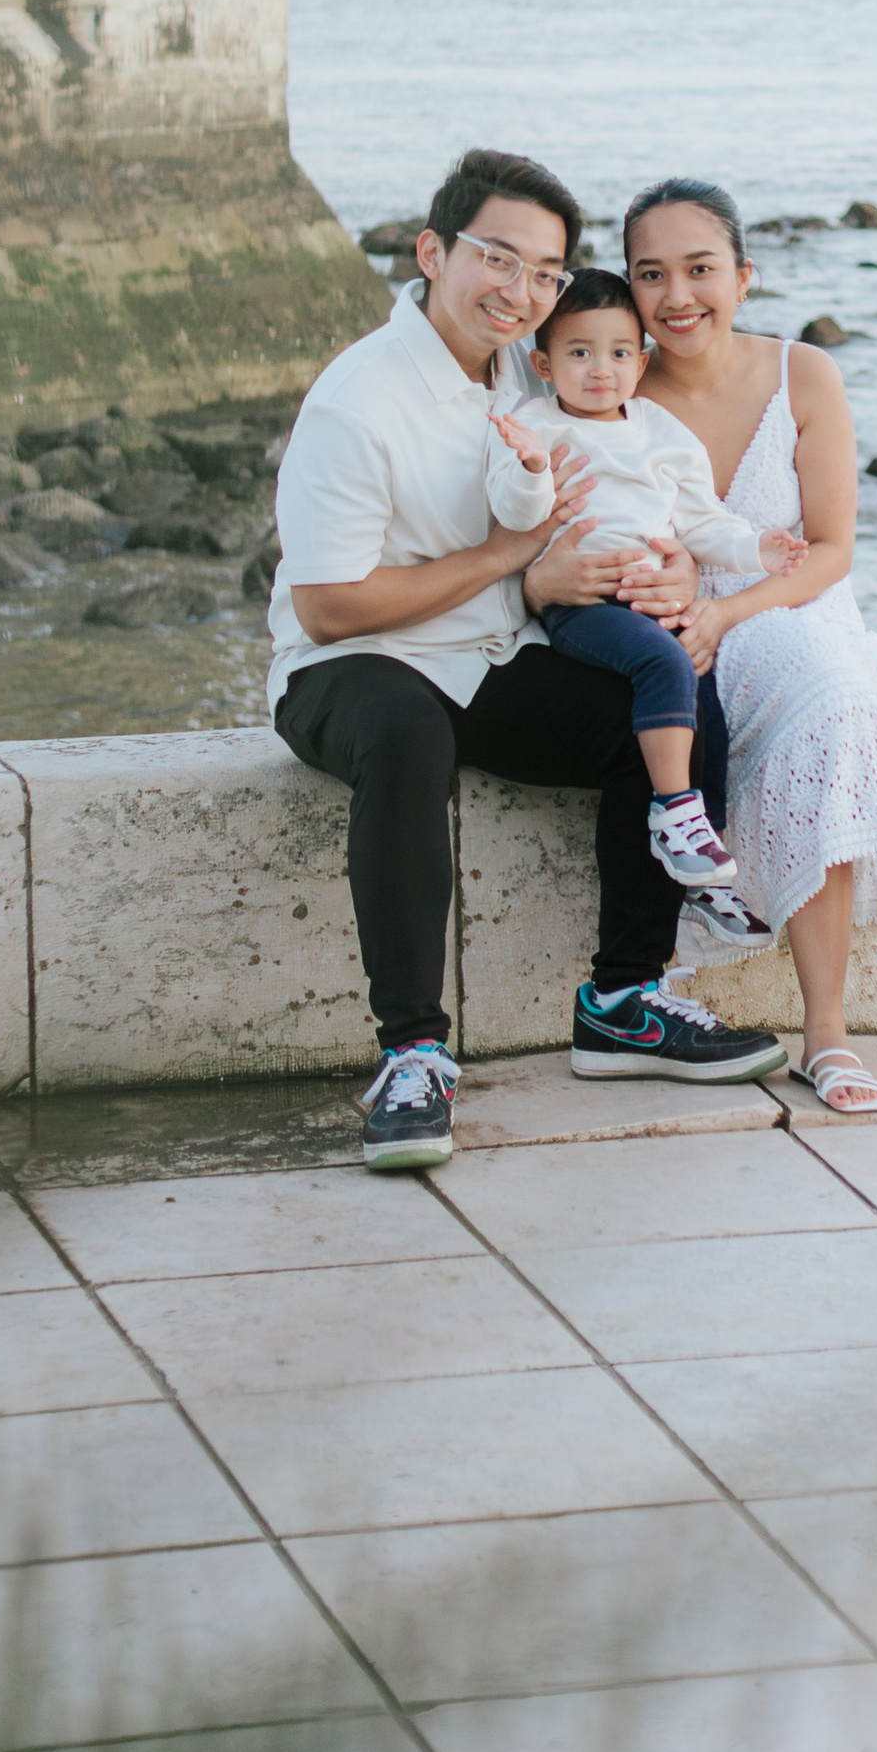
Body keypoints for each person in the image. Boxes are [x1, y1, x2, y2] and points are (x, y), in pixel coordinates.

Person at [268, 146, 787, 1172]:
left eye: (545, 271)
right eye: (497, 258)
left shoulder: (528, 363)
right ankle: (411, 1054)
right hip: (358, 661)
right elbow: (329, 605)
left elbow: (624, 484)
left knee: (673, 690)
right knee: (406, 729)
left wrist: (672, 569)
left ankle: (625, 1002)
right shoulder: (358, 400)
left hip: (494, 649)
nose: (522, 290)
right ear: (431, 251)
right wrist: (509, 558)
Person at [624, 176, 877, 1118]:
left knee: (831, 691)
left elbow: (835, 551)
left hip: (800, 605)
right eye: (652, 275)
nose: (678, 296)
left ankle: (854, 1008)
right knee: (834, 707)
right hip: (679, 624)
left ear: (744, 275)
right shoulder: (618, 386)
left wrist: (738, 613)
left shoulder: (801, 375)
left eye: (700, 269)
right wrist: (701, 612)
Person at [489, 265, 808, 892]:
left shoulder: (660, 432)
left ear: (640, 363)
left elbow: (700, 522)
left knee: (703, 704)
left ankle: (704, 871)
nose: (600, 369)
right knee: (664, 664)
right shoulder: (538, 427)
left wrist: (755, 550)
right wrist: (530, 468)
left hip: (652, 598)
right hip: (585, 603)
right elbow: (515, 514)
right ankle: (672, 810)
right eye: (580, 352)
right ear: (545, 364)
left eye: (617, 353)